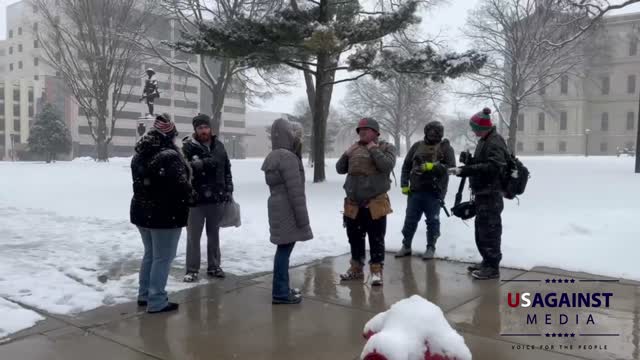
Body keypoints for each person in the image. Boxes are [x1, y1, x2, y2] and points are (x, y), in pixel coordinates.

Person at [130, 114, 193, 313]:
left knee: (150, 255)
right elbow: (179, 187)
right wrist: (192, 195)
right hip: (165, 215)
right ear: (170, 134)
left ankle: (145, 294)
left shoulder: (140, 153)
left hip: (142, 212)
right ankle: (157, 300)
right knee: (163, 258)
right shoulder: (169, 156)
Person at [448, 108, 509, 280]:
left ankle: (492, 267)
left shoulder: (495, 141)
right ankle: (486, 261)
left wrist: (465, 170)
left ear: (483, 127)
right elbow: (484, 163)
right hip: (483, 193)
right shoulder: (485, 139)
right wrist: (470, 161)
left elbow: (494, 167)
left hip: (491, 193)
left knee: (490, 230)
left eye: (474, 128)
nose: (473, 131)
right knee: (482, 229)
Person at [336, 118, 396, 286]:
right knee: (354, 238)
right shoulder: (354, 149)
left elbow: (387, 166)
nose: (362, 132)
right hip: (353, 204)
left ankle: (376, 271)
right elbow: (340, 169)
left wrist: (373, 149)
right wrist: (347, 153)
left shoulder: (386, 148)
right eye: (360, 130)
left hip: (375, 203)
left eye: (366, 129)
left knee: (376, 238)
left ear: (376, 132)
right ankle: (356, 268)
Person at [262, 118, 313, 304]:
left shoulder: (273, 156)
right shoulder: (289, 158)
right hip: (288, 208)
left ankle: (282, 289)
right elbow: (296, 192)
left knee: (282, 249)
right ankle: (281, 293)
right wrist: (303, 221)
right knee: (284, 250)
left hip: (276, 206)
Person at [182, 114, 234, 282]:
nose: (203, 130)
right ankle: (192, 270)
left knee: (214, 235)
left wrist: (229, 188)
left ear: (210, 128)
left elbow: (226, 168)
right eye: (200, 128)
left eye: (205, 127)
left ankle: (214, 266)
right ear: (195, 130)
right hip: (196, 200)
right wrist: (202, 164)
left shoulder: (218, 146)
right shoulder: (188, 147)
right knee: (193, 237)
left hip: (216, 198)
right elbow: (185, 170)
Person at [396, 121, 456, 260]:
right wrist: (404, 184)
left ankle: (431, 247)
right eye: (431, 132)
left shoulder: (446, 148)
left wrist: (433, 167)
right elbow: (406, 166)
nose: (434, 135)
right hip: (415, 191)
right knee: (410, 220)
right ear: (426, 132)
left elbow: (452, 168)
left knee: (432, 221)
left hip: (435, 192)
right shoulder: (417, 146)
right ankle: (406, 245)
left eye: (437, 132)